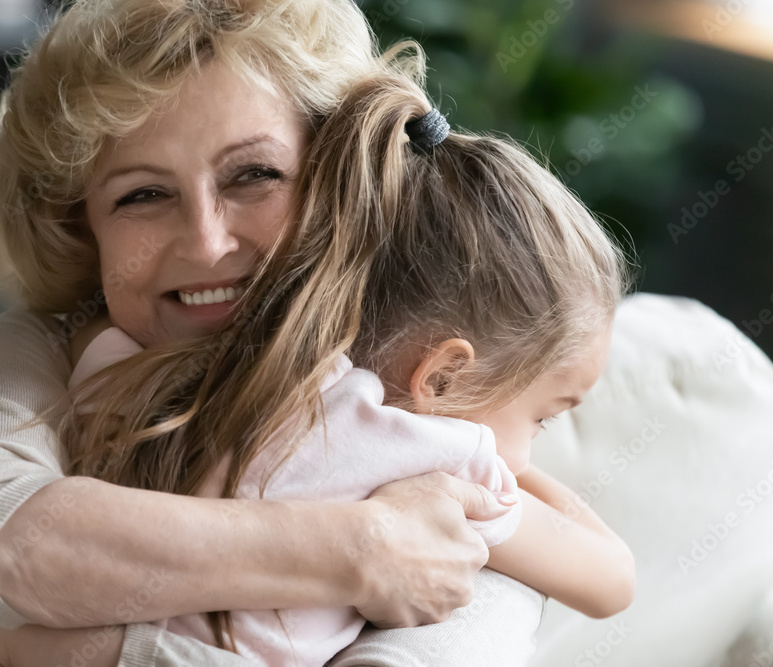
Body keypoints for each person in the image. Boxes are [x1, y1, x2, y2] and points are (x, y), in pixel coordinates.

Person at [0, 0, 544, 664]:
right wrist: (360, 547)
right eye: (142, 194)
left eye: (254, 175)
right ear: (79, 225)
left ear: (338, 177)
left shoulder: (405, 355)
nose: (205, 243)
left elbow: (495, 580)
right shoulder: (36, 349)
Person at [49, 73, 634, 666]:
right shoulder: (423, 455)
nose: (529, 452)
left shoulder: (133, 365)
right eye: (542, 419)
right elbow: (612, 579)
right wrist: (504, 472)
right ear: (440, 380)